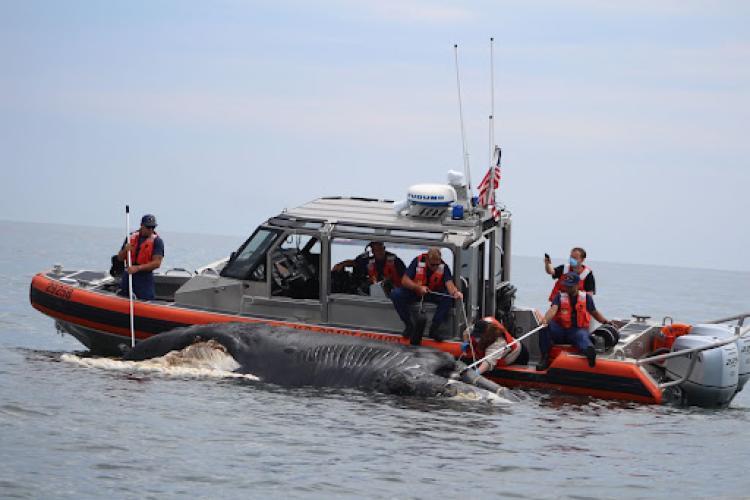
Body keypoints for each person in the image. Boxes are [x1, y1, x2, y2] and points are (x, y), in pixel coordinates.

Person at [538, 272, 610, 369]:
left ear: (577, 285)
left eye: (570, 286)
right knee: (544, 327)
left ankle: (590, 352)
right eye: (566, 286)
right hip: (560, 330)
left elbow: (595, 313)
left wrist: (605, 322)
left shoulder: (586, 298)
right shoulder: (559, 296)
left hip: (576, 330)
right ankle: (544, 357)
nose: (567, 288)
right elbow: (553, 310)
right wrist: (545, 320)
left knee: (582, 336)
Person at [390, 247, 463, 343]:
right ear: (427, 260)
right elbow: (405, 280)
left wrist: (455, 292)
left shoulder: (443, 267)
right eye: (432, 265)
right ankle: (409, 325)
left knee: (447, 298)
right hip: (415, 291)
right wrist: (418, 288)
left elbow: (449, 283)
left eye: (437, 264)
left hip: (432, 293)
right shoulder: (417, 262)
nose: (435, 267)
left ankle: (434, 328)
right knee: (396, 294)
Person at [117, 214, 164, 300]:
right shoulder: (131, 237)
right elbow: (120, 258)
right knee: (123, 298)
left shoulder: (157, 241)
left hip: (144, 278)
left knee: (146, 300)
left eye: (153, 227)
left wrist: (138, 268)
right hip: (129, 274)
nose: (151, 230)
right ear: (141, 225)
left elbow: (157, 263)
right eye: (148, 227)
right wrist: (125, 250)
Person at [332, 241, 405, 294]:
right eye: (376, 249)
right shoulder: (367, 259)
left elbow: (406, 276)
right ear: (372, 251)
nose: (379, 252)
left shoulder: (395, 260)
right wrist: (341, 264)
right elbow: (354, 262)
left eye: (380, 249)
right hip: (373, 292)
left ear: (384, 248)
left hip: (393, 292)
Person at [462, 317, 527, 374]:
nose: (477, 339)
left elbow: (488, 362)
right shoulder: (478, 325)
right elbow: (466, 332)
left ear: (486, 334)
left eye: (479, 336)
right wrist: (465, 343)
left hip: (517, 354)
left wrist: (476, 373)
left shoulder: (498, 341)